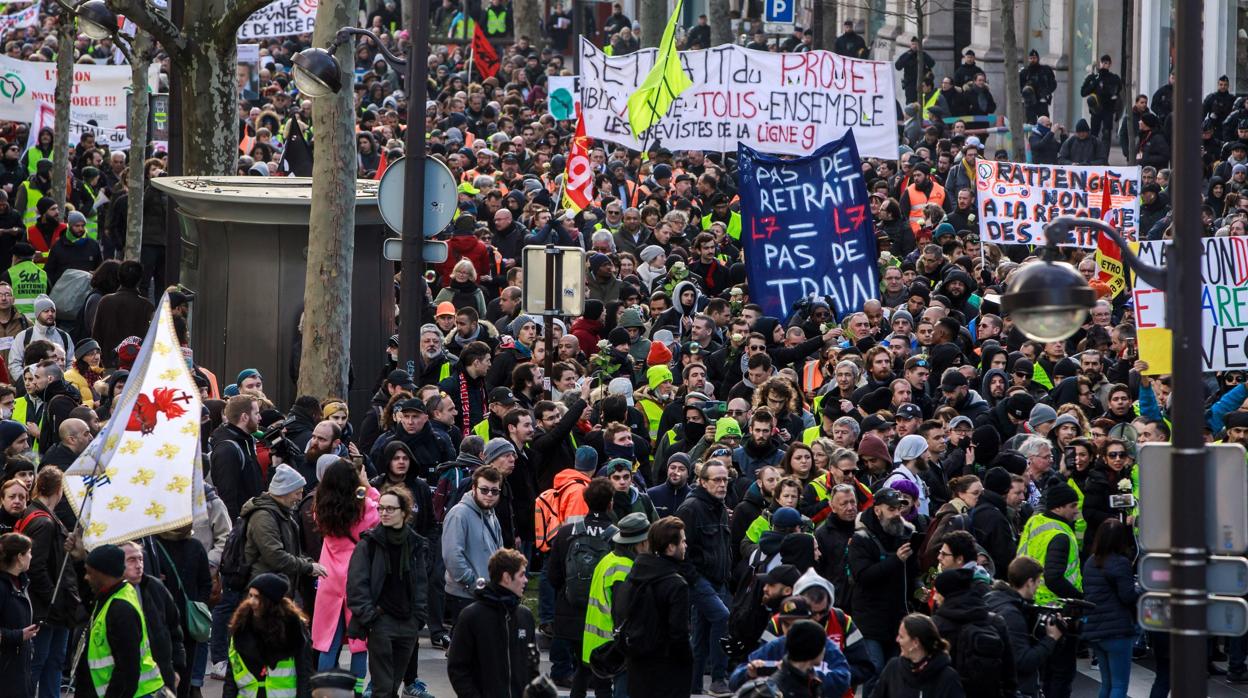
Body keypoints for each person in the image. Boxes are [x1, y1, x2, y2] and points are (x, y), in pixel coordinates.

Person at [346, 485, 432, 698]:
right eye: (381, 508)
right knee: (382, 687)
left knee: (392, 685)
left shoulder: (415, 543)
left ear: (404, 512)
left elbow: (421, 583)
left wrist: (418, 618)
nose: (384, 513)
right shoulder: (369, 544)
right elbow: (356, 585)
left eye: (390, 509)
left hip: (408, 623)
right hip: (381, 622)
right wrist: (370, 617)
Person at [311, 459, 380, 695]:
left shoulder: (320, 507)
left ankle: (323, 691)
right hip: (357, 577)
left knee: (328, 640)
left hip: (328, 576)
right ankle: (357, 691)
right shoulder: (365, 507)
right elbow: (378, 506)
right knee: (358, 641)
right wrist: (366, 485)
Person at [548, 477, 617, 696]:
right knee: (603, 676)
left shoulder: (567, 532)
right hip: (602, 617)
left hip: (571, 612)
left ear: (586, 501)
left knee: (581, 669)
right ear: (610, 503)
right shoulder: (618, 536)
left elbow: (553, 576)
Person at [847, 488, 919, 694]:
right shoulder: (861, 539)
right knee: (873, 670)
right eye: (891, 509)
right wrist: (895, 560)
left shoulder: (905, 533)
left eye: (899, 508)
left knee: (897, 672)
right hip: (870, 619)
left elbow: (911, 572)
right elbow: (863, 576)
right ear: (877, 510)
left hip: (898, 618)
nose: (897, 513)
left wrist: (919, 587)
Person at [1015, 482, 1082, 698]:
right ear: (1058, 507)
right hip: (1058, 610)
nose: (1076, 511)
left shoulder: (1035, 521)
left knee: (1043, 674)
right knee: (1060, 675)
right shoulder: (1060, 534)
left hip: (1032, 606)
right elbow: (1053, 578)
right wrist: (1080, 599)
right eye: (1073, 505)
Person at [615, 515, 692, 698]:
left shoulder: (636, 574)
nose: (685, 546)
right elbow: (679, 634)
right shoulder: (676, 585)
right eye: (683, 541)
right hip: (666, 672)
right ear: (671, 547)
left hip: (638, 666)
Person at [446, 548, 539, 697]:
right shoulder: (472, 616)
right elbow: (457, 668)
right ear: (507, 577)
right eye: (521, 575)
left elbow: (533, 666)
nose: (526, 580)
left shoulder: (525, 616)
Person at [79, 543, 166, 698]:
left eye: (89, 573)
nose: (86, 577)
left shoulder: (120, 608)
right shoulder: (109, 597)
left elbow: (127, 671)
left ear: (104, 574)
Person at [677, 460, 733, 696]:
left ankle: (692, 684)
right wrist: (694, 579)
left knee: (700, 636)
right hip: (699, 579)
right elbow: (681, 550)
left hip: (718, 579)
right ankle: (718, 679)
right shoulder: (691, 508)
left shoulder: (719, 506)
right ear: (702, 481)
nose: (722, 485)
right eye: (717, 480)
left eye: (725, 480)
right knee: (722, 617)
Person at [582, 512, 650, 696]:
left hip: (598, 646)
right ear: (640, 543)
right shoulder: (625, 568)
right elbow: (622, 614)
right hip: (615, 649)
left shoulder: (608, 559)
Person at [225, 573, 314, 698]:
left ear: (269, 601)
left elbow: (304, 673)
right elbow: (231, 676)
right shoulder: (240, 627)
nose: (252, 601)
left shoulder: (293, 628)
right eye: (250, 595)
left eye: (257, 597)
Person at [930, 567, 1016, 697]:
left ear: (948, 594)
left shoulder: (935, 626)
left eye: (937, 592)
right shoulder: (995, 622)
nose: (935, 597)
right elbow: (1009, 674)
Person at [985, 556, 1061, 698]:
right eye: (1038, 581)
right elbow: (1023, 662)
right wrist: (1051, 638)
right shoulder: (1012, 615)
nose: (1038, 586)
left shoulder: (994, 598)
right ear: (1029, 582)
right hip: (1018, 689)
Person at [1081, 519, 1139, 698]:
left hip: (1095, 626)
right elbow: (1127, 596)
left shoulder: (1091, 562)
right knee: (1120, 685)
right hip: (1117, 629)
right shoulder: (1120, 562)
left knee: (1107, 683)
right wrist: (1140, 588)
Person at [442, 465, 505, 626]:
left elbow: (499, 554)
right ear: (474, 488)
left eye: (494, 491)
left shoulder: (492, 515)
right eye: (484, 490)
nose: (489, 495)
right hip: (464, 596)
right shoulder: (459, 514)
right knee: (464, 649)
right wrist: (474, 584)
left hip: (487, 594)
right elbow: (452, 556)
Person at [119, 540, 186, 693]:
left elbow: (174, 629)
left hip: (162, 677)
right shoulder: (113, 594)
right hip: (130, 684)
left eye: (140, 559)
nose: (138, 565)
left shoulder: (155, 587)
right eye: (131, 560)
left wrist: (176, 668)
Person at [871, 614, 966, 697]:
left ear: (915, 642)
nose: (897, 640)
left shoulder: (948, 678)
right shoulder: (893, 668)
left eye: (901, 636)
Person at [0, 532, 36, 698]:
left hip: (20, 666)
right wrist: (19, 635)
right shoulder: (2, 587)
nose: (31, 556)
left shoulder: (22, 582)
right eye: (28, 552)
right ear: (20, 557)